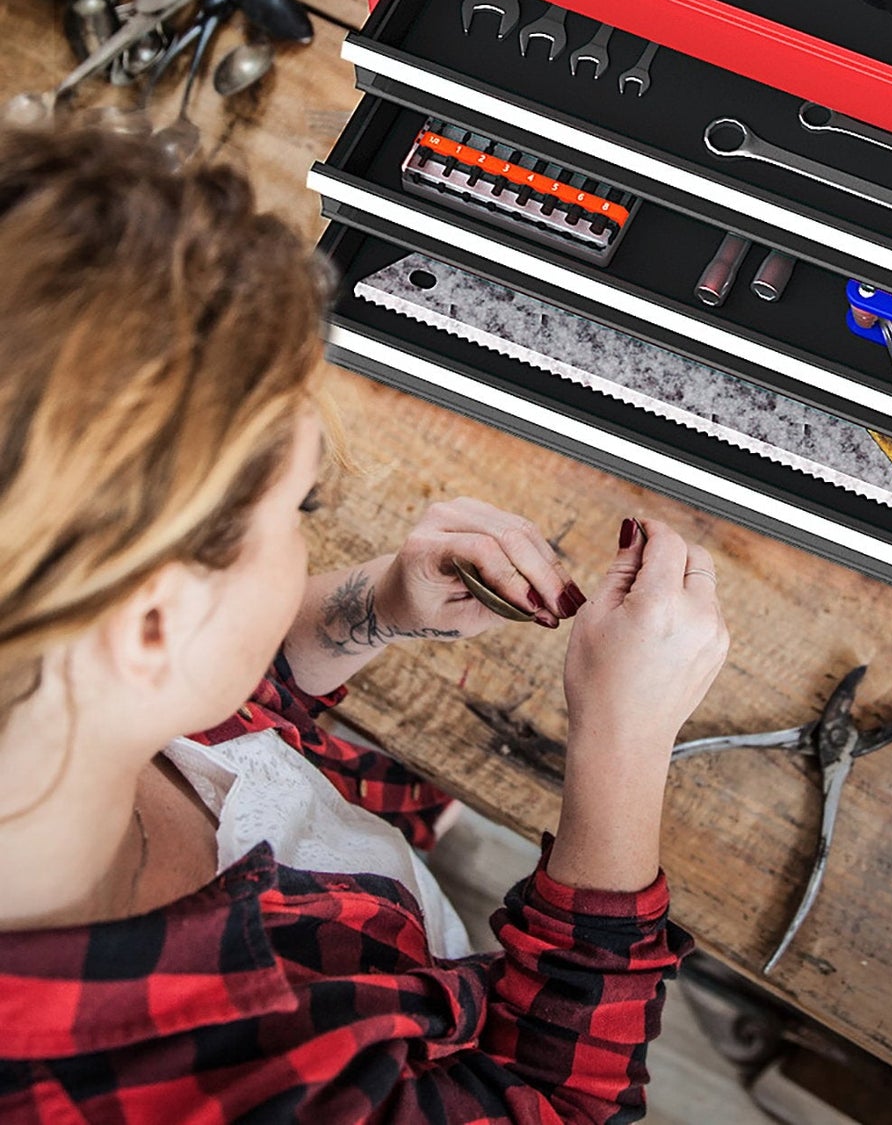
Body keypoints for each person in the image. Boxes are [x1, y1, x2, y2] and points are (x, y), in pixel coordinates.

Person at [0, 122, 730, 1123]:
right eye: (297, 511)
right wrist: (621, 744)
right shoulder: (209, 1089)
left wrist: (368, 609)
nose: (311, 537)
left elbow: (194, 700)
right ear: (153, 620)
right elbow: (546, 1099)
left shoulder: (41, 682)